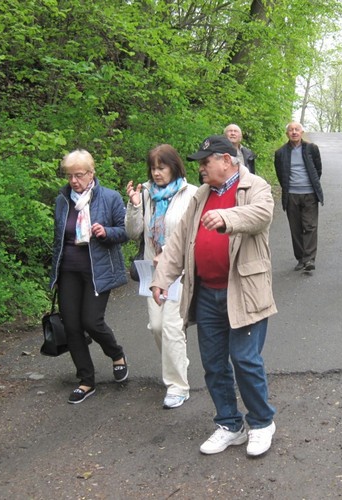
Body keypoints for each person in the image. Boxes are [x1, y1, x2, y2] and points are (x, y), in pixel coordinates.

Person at [150, 135, 277, 457]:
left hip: (245, 291)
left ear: (227, 160)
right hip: (207, 293)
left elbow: (261, 216)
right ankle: (230, 425)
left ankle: (261, 423)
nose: (201, 168)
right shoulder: (201, 195)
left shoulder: (255, 186)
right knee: (215, 364)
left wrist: (227, 218)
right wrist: (161, 278)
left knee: (245, 359)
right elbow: (179, 240)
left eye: (206, 162)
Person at [50, 149, 129, 404]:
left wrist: (106, 232)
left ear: (92, 173)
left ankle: (116, 353)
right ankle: (86, 380)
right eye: (70, 176)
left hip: (98, 269)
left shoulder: (109, 197)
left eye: (79, 175)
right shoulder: (62, 200)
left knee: (92, 322)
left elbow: (126, 231)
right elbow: (59, 239)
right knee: (72, 326)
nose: (74, 181)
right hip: (68, 270)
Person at [125, 145, 198, 409]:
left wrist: (168, 252)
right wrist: (134, 207)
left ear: (174, 167)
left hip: (178, 270)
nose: (157, 173)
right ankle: (177, 361)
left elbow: (193, 234)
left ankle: (178, 385)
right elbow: (133, 233)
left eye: (162, 167)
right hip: (151, 271)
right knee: (156, 327)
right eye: (153, 168)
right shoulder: (145, 194)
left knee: (171, 326)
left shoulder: (191, 194)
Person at [274, 122, 324, 272]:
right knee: (295, 228)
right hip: (291, 195)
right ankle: (301, 258)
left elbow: (318, 169)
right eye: (291, 130)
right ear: (287, 134)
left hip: (309, 194)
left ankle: (309, 259)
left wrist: (310, 185)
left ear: (302, 132)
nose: (294, 132)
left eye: (297, 129)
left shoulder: (311, 148)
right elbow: (280, 174)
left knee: (310, 226)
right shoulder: (280, 152)